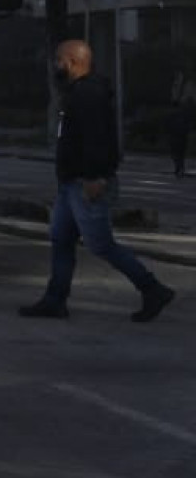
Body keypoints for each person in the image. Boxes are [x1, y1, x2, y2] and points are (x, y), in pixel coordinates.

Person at [19, 39, 176, 323]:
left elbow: (97, 141)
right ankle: (55, 300)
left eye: (59, 60)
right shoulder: (78, 92)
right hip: (72, 184)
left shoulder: (87, 95)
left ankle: (153, 288)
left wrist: (95, 177)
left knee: (101, 244)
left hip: (86, 183)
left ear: (73, 62)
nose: (56, 66)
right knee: (61, 239)